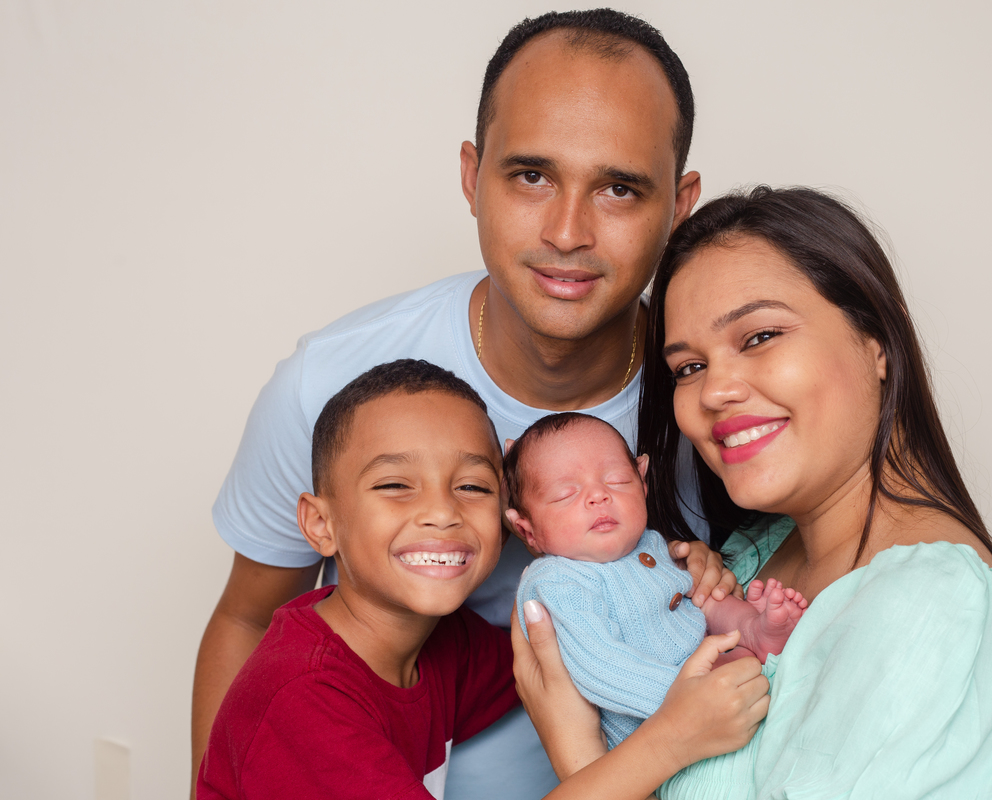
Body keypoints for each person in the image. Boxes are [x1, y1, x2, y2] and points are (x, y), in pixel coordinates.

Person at [191, 9, 709, 798]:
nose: (568, 231)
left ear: (678, 204)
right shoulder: (330, 386)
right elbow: (248, 621)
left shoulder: (721, 402)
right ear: (472, 176)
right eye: (531, 176)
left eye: (618, 188)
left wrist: (698, 582)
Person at [515, 186, 992, 799]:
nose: (714, 391)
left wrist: (579, 754)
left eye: (759, 337)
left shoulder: (930, 608)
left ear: (877, 341)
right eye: (689, 368)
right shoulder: (754, 551)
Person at [198, 359, 770, 800]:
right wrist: (669, 739)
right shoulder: (303, 701)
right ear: (321, 525)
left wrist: (666, 573)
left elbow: (570, 656)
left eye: (472, 487)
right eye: (395, 485)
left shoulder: (448, 645)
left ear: (508, 520)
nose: (442, 512)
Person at [506, 412, 806, 748]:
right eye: (565, 494)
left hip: (713, 679)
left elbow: (698, 603)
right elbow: (601, 666)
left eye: (617, 480)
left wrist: (745, 623)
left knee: (708, 596)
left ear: (643, 482)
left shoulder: (650, 544)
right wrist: (688, 698)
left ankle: (755, 633)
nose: (598, 496)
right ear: (527, 531)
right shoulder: (555, 581)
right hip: (658, 725)